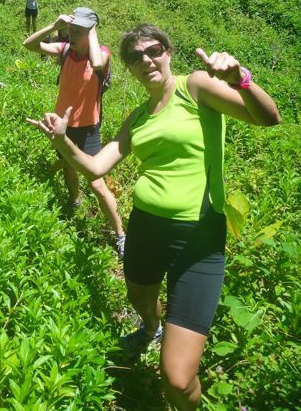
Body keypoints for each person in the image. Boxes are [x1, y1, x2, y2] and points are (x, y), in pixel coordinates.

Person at [27, 23, 281, 410]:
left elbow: (268, 118)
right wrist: (61, 140)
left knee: (178, 379)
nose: (146, 59)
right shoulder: (137, 117)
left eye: (154, 50)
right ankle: (150, 329)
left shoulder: (194, 86)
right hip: (145, 227)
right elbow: (95, 168)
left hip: (198, 236)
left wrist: (241, 80)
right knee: (139, 296)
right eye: (135, 56)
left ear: (168, 52)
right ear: (128, 67)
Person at [23, 8, 126, 258]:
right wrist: (52, 25)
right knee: (69, 166)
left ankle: (121, 236)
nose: (72, 34)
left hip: (89, 128)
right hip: (63, 125)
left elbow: (98, 63)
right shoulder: (65, 50)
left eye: (78, 31)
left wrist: (91, 31)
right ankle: (74, 201)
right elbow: (29, 45)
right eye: (71, 29)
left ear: (91, 32)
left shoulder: (101, 54)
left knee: (98, 183)